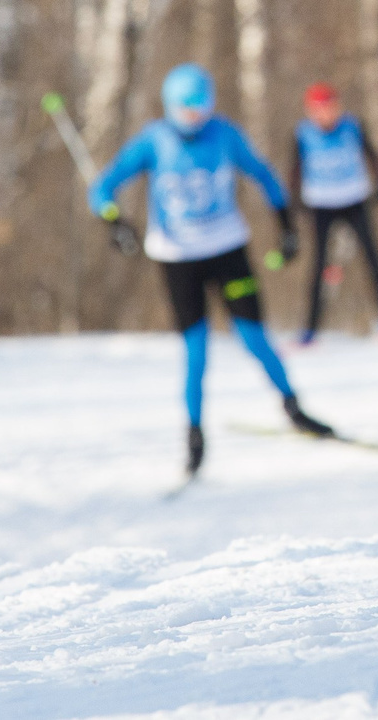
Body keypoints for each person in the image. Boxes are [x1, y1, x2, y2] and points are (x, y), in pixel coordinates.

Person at [90, 63, 330, 475]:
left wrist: (286, 225)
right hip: (178, 260)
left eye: (204, 103)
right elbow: (102, 188)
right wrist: (114, 222)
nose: (197, 113)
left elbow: (264, 176)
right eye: (188, 105)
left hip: (227, 251)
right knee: (196, 351)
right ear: (171, 105)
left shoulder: (225, 135)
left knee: (254, 337)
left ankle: (294, 408)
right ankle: (195, 436)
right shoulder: (155, 141)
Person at [290, 82, 378, 344]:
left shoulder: (352, 126)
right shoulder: (302, 133)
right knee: (319, 265)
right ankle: (310, 330)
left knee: (373, 258)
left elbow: (374, 157)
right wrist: (295, 202)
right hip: (320, 203)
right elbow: (295, 169)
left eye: (329, 108)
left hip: (354, 199)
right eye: (318, 110)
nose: (325, 115)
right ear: (310, 111)